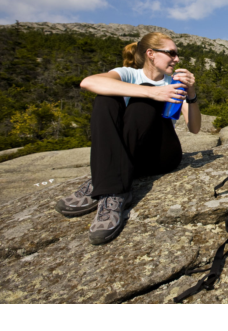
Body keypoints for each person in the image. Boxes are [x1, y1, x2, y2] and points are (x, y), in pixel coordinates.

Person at [55, 32, 202, 245]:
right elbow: (88, 82)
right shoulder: (127, 74)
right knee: (105, 99)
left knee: (143, 103)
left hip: (160, 155)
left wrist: (191, 92)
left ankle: (106, 186)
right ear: (151, 54)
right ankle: (111, 189)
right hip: (130, 156)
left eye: (177, 54)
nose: (176, 59)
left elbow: (195, 128)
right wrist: (153, 93)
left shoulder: (175, 83)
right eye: (171, 53)